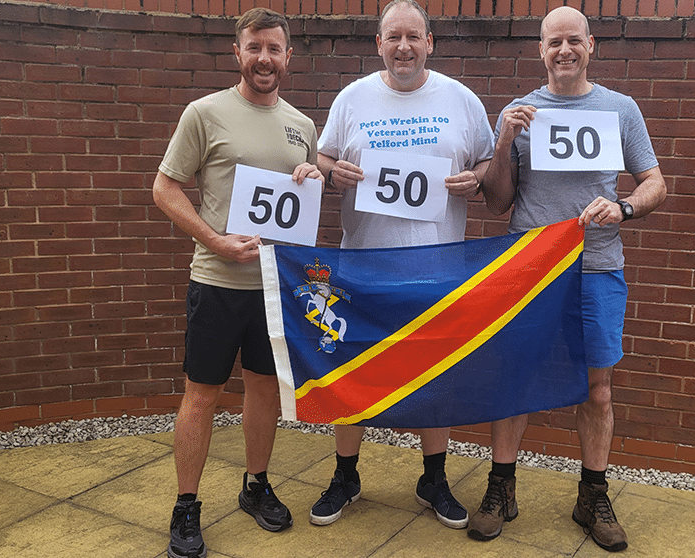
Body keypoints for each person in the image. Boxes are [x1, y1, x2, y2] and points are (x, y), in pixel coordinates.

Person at [467, 6, 666, 552]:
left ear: (591, 45)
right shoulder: (519, 111)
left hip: (597, 266)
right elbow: (499, 199)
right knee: (515, 379)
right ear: (540, 50)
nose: (564, 51)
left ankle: (592, 495)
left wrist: (624, 208)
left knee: (598, 389)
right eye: (553, 42)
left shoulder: (620, 109)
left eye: (573, 41)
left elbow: (655, 182)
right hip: (529, 270)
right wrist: (504, 138)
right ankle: (500, 488)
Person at [311, 0, 494, 530]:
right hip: (361, 268)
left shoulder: (461, 99)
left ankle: (433, 477)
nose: (404, 47)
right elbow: (324, 157)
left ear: (431, 42)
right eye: (393, 37)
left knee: (435, 375)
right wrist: (332, 173)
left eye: (414, 37)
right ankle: (346, 474)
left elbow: (485, 160)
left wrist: (476, 178)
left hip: (437, 268)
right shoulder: (352, 98)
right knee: (349, 373)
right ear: (379, 44)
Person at [152, 8, 322, 558]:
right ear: (238, 52)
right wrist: (215, 241)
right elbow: (166, 188)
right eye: (255, 48)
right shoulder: (204, 113)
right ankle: (186, 505)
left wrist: (311, 177)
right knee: (201, 396)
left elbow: (300, 198)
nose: (265, 59)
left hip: (273, 287)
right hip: (218, 281)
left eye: (275, 49)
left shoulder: (303, 126)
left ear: (288, 56)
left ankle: (256, 485)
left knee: (264, 391)